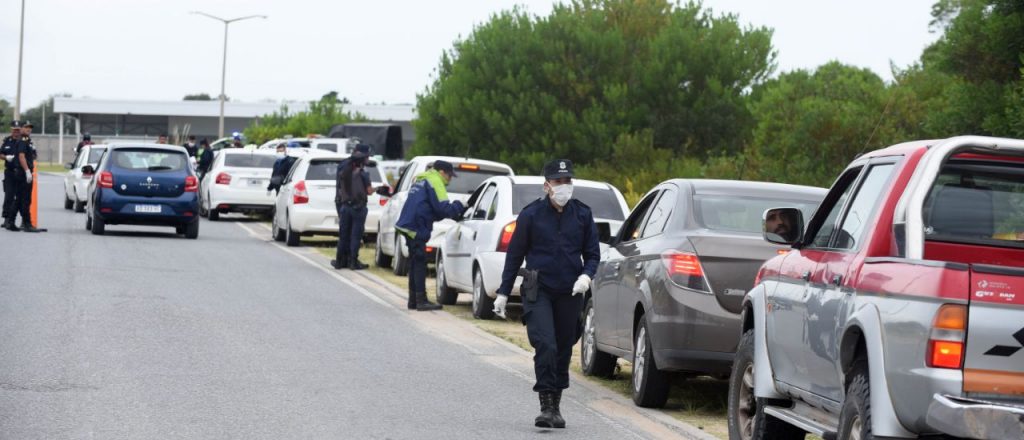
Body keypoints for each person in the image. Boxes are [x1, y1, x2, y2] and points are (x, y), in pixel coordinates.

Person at [494, 159, 599, 429]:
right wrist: (504, 293)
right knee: (546, 344)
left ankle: (556, 404)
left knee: (563, 349)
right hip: (537, 289)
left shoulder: (583, 214)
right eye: (558, 182)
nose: (564, 186)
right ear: (546, 185)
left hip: (571, 290)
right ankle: (546, 406)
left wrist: (586, 276)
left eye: (567, 181)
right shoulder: (530, 215)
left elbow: (592, 254)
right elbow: (514, 255)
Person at [395, 160, 464, 311]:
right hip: (416, 226)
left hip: (408, 224)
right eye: (449, 175)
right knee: (419, 262)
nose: (450, 179)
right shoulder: (435, 181)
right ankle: (421, 301)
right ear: (441, 172)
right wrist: (459, 206)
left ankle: (413, 300)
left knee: (415, 262)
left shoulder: (422, 179)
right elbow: (443, 208)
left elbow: (429, 208)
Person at [331, 144, 374, 270]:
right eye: (366, 157)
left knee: (344, 234)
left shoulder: (344, 167)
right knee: (354, 234)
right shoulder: (361, 173)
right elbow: (369, 191)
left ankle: (341, 261)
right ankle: (351, 261)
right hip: (356, 206)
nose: (367, 160)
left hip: (344, 203)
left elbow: (340, 189)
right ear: (360, 155)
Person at [9, 121, 40, 232]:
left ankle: (10, 222)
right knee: (26, 199)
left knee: (19, 199)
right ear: (21, 129)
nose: (29, 129)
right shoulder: (23, 140)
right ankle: (27, 224)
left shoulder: (26, 140)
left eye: (30, 127)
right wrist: (27, 171)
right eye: (26, 127)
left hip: (21, 172)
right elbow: (21, 157)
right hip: (23, 173)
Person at [1, 121, 21, 229]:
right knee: (9, 195)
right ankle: (6, 219)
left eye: (18, 129)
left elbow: (33, 155)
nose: (16, 132)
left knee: (20, 197)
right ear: (11, 130)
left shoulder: (25, 140)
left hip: (21, 172)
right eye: (14, 129)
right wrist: (6, 157)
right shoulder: (7, 141)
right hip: (9, 172)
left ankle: (20, 220)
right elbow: (1, 153)